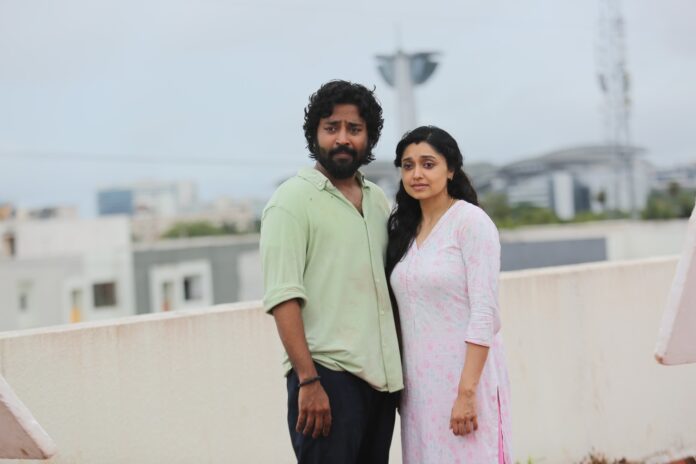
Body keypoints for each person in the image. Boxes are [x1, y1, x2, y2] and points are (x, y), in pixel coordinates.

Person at [260, 80, 403, 464]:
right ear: (315, 135)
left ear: (368, 138)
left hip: (379, 383)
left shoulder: (376, 200)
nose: (342, 138)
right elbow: (283, 297)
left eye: (354, 129)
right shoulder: (291, 201)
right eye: (331, 128)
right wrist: (309, 380)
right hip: (326, 380)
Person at [386, 126, 512, 463]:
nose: (417, 174)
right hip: (419, 389)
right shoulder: (403, 231)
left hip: (465, 380)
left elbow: (484, 312)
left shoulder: (471, 223)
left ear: (451, 169)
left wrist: (467, 392)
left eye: (428, 164)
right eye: (408, 165)